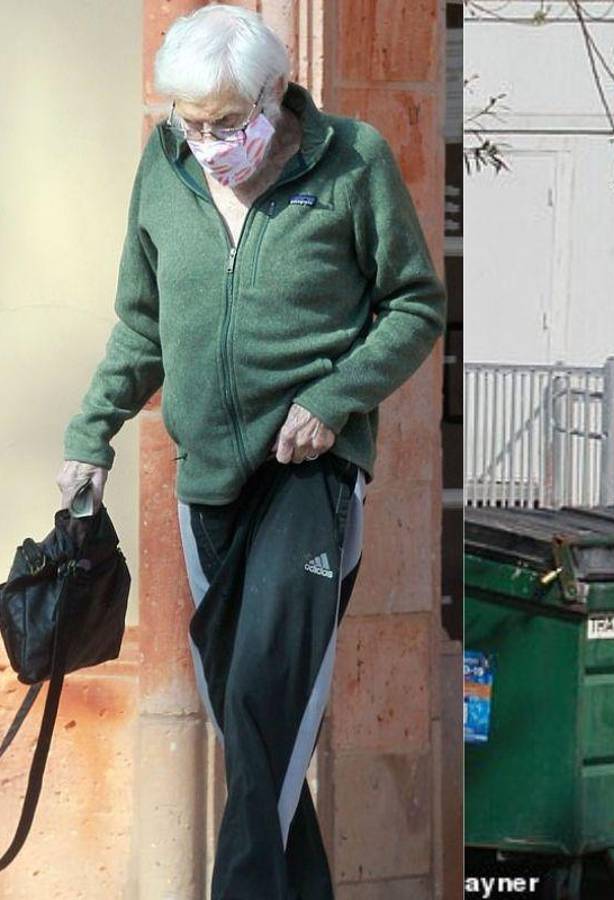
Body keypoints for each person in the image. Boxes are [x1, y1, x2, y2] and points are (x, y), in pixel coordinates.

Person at [53, 6, 445, 898]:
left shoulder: (353, 161)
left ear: (276, 92)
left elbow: (416, 304)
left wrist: (332, 400)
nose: (205, 142)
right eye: (189, 123)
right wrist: (92, 431)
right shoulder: (162, 169)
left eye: (225, 123)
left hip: (309, 477)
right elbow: (143, 324)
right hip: (210, 484)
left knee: (265, 706)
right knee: (248, 725)